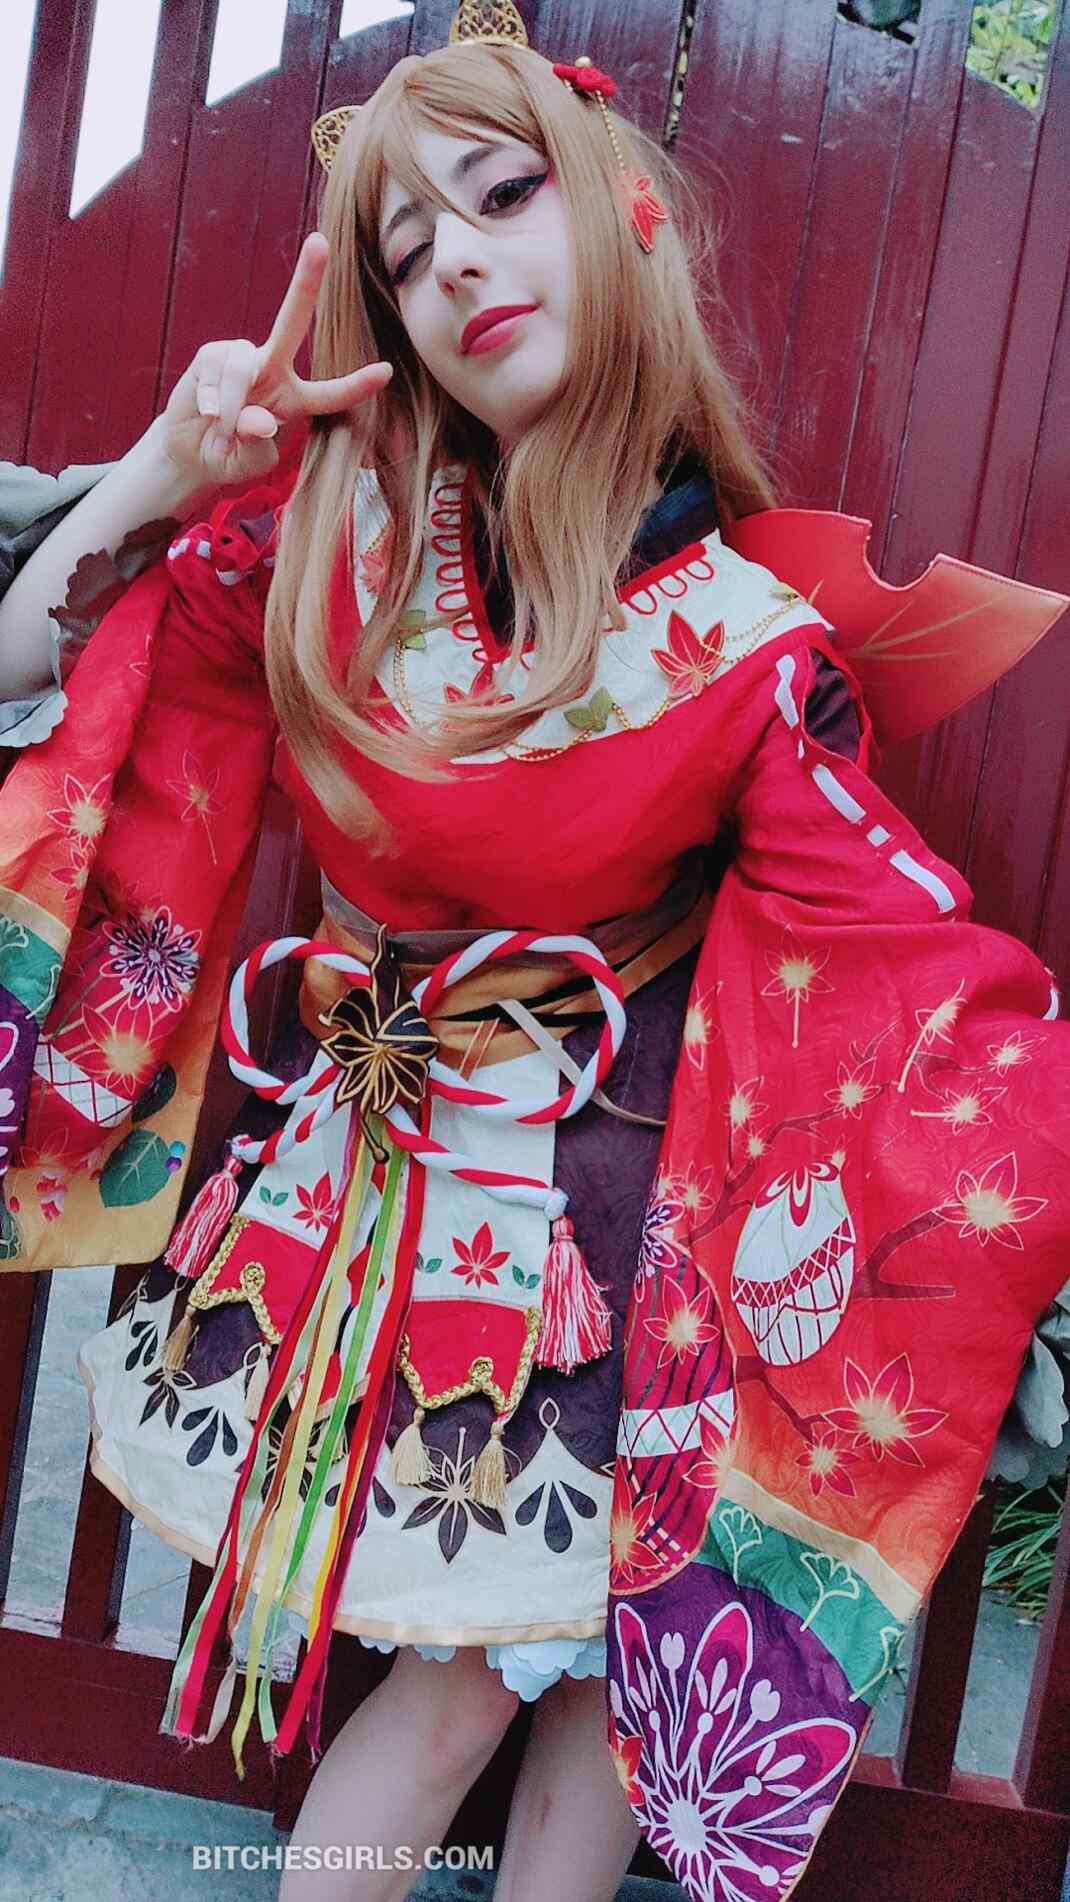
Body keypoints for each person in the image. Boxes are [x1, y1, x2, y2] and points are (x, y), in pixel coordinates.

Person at [0, 10, 1067, 1902]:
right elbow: (40, 677)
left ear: (622, 213)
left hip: (635, 1215)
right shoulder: (324, 547)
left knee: (595, 1692)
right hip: (411, 1188)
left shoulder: (750, 641)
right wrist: (166, 465)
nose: (459, 265)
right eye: (408, 248)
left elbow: (903, 964)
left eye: (502, 197)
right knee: (453, 1691)